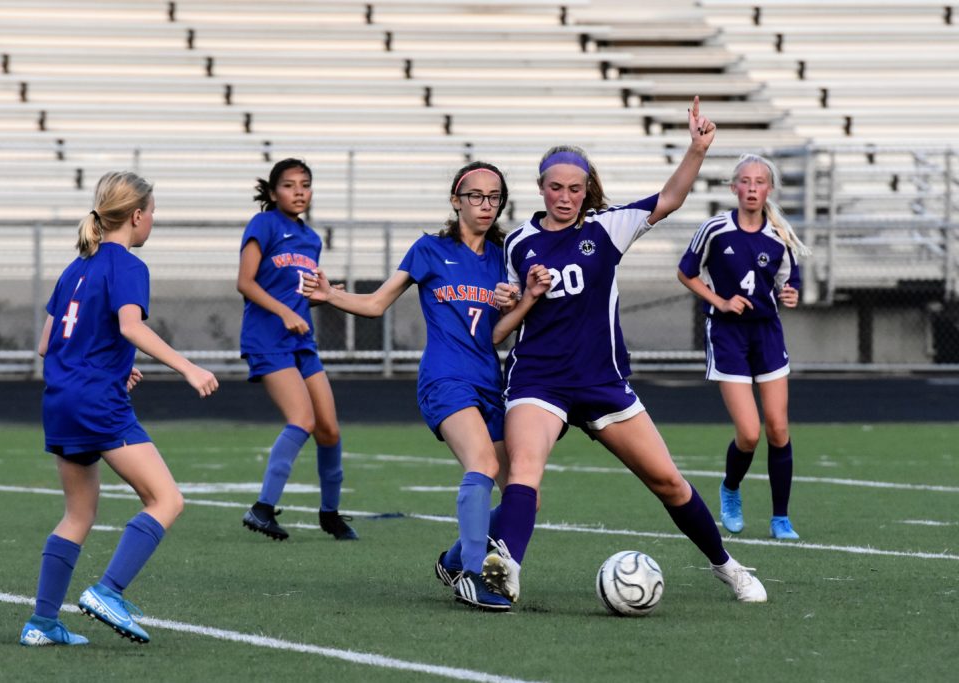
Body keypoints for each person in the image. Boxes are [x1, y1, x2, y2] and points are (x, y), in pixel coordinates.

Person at [483, 97, 767, 606]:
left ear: (586, 189)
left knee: (668, 482)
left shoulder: (605, 227)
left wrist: (697, 150)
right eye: (555, 187)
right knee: (524, 473)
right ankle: (508, 572)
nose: (565, 197)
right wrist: (520, 294)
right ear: (540, 187)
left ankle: (728, 567)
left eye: (575, 188)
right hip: (538, 379)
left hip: (602, 381)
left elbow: (670, 198)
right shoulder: (519, 243)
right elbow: (502, 326)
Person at [303, 161, 550, 611]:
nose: (485, 205)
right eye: (475, 195)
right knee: (481, 464)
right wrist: (331, 296)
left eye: (494, 197)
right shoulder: (429, 250)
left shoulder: (505, 256)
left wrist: (524, 298)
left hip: (489, 383)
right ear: (456, 200)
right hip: (444, 379)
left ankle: (453, 559)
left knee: (523, 499)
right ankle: (472, 577)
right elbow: (378, 303)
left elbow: (500, 332)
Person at [20, 171, 219, 647]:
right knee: (167, 500)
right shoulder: (127, 266)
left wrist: (112, 366)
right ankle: (108, 591)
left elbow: (49, 343)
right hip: (96, 403)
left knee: (77, 515)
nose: (153, 222)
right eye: (152, 213)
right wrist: (187, 367)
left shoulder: (76, 267)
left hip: (62, 400)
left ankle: (42, 624)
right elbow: (130, 327)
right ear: (136, 216)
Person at [677, 153, 810, 540]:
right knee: (749, 432)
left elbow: (789, 282)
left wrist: (790, 295)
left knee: (779, 428)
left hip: (766, 334)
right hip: (727, 336)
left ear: (769, 189)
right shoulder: (715, 230)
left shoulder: (779, 235)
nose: (752, 189)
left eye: (760, 182)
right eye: (745, 182)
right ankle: (731, 489)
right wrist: (719, 302)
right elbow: (686, 272)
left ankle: (780, 517)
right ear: (733, 188)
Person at [238, 158, 357, 543]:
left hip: (300, 341)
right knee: (301, 420)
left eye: (305, 184)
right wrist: (286, 311)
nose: (299, 191)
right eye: (289, 185)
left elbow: (302, 298)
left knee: (329, 429)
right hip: (267, 339)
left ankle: (330, 514)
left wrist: (327, 295)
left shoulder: (311, 238)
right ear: (273, 193)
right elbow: (246, 282)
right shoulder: (263, 225)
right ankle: (262, 508)